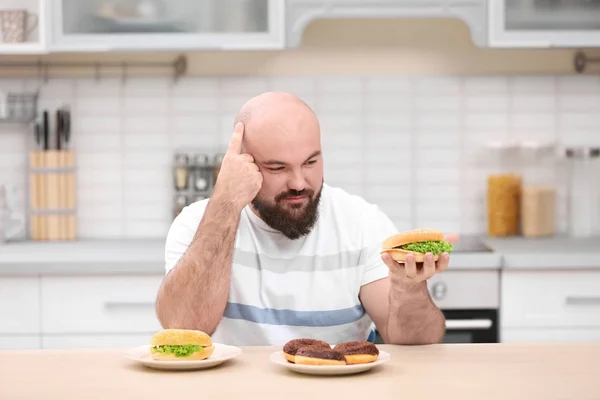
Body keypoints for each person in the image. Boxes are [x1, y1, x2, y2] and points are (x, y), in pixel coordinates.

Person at [155, 91, 457, 346]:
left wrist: (409, 290)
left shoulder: (363, 224)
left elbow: (414, 345)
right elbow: (184, 330)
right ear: (241, 163)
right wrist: (225, 204)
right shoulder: (197, 224)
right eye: (277, 168)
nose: (299, 182)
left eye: (311, 162)